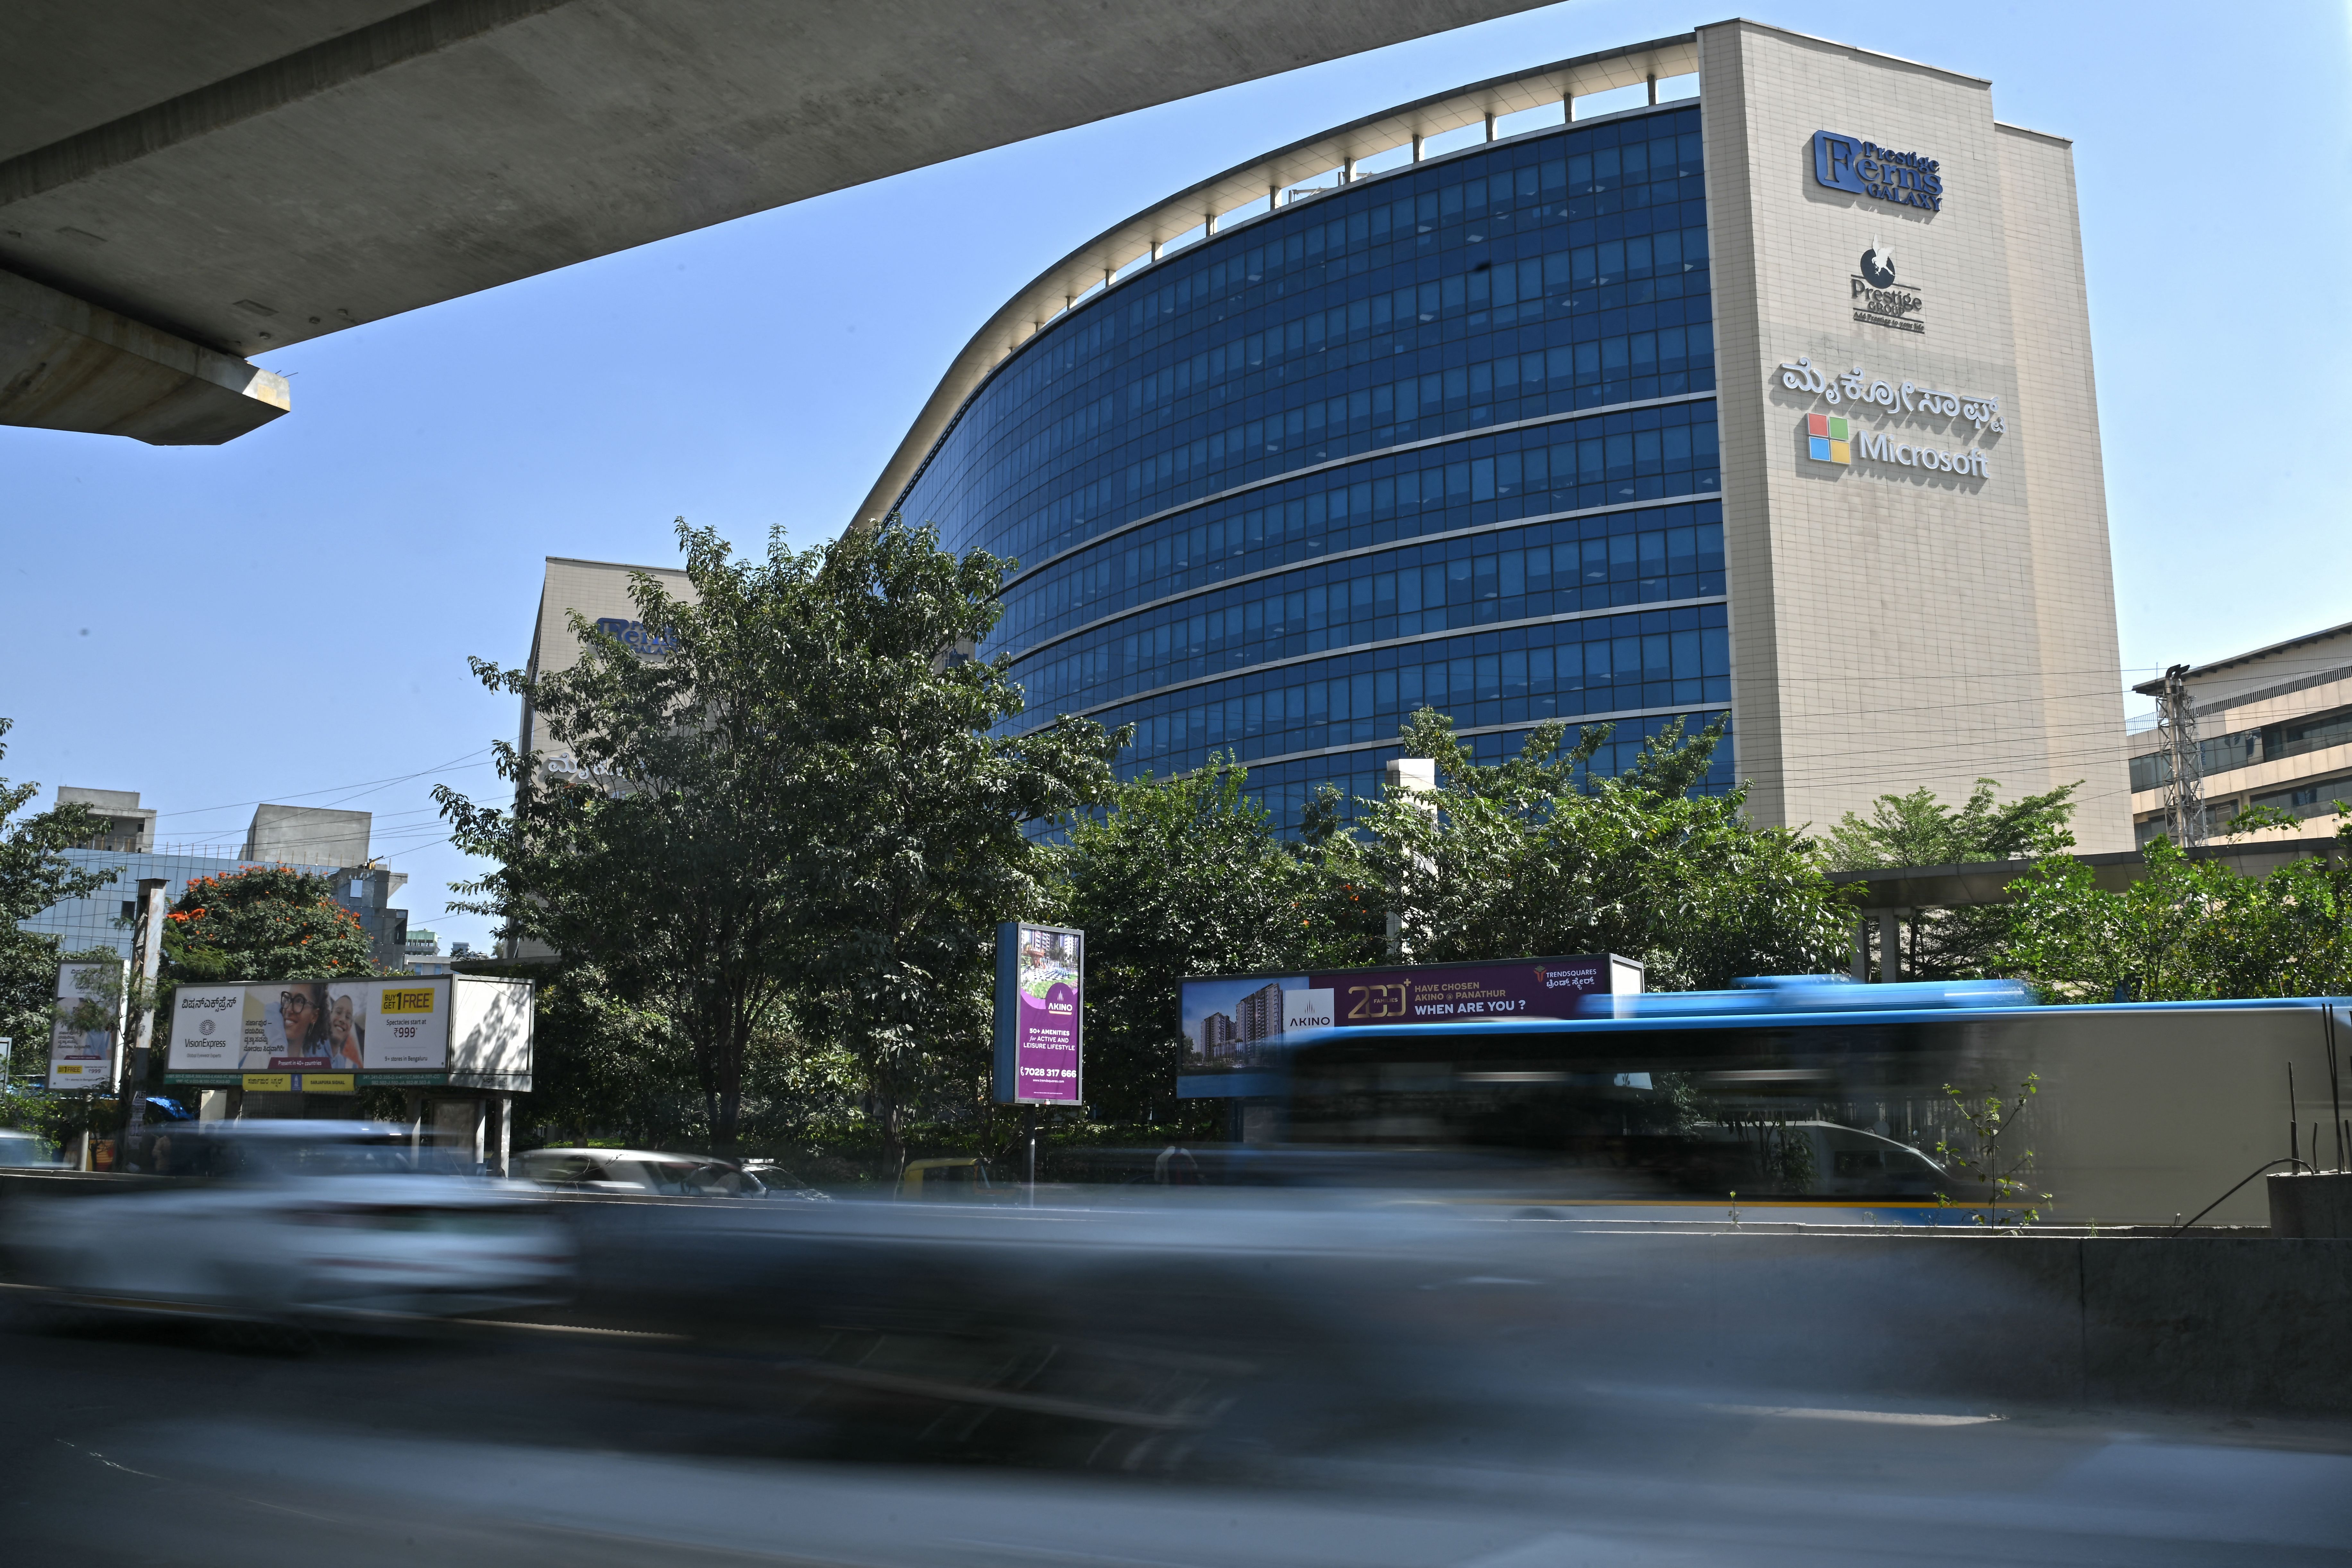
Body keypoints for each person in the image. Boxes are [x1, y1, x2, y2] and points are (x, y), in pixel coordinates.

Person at [265, 983, 330, 1063]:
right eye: (288, 999)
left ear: (314, 1016)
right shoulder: (261, 1054)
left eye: (300, 1001)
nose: (289, 1010)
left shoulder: (309, 1065)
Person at [326, 992, 365, 1070]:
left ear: (350, 1028)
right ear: (330, 1016)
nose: (343, 1019)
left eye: (348, 1017)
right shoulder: (307, 1052)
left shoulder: (351, 1067)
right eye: (339, 1012)